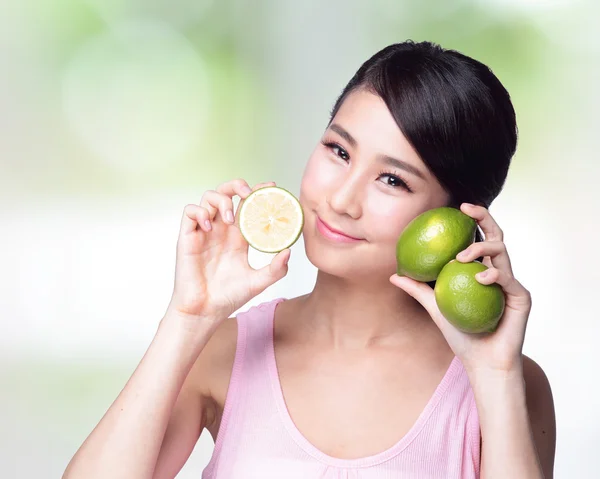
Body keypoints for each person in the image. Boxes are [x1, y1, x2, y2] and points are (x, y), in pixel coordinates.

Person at [63, 40, 556, 478]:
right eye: (339, 151)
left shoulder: (506, 381)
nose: (341, 199)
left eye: (392, 180)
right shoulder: (222, 352)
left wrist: (495, 378)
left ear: (456, 219)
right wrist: (188, 319)